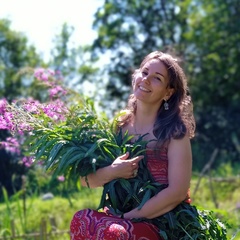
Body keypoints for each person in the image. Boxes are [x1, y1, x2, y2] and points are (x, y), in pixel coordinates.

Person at [70, 50, 195, 239]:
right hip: (118, 216)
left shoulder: (175, 133)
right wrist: (113, 170)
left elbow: (176, 193)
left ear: (168, 92)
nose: (145, 80)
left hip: (163, 222)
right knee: (81, 219)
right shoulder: (119, 126)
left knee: (114, 233)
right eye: (144, 72)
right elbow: (85, 179)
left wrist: (126, 218)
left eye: (157, 78)